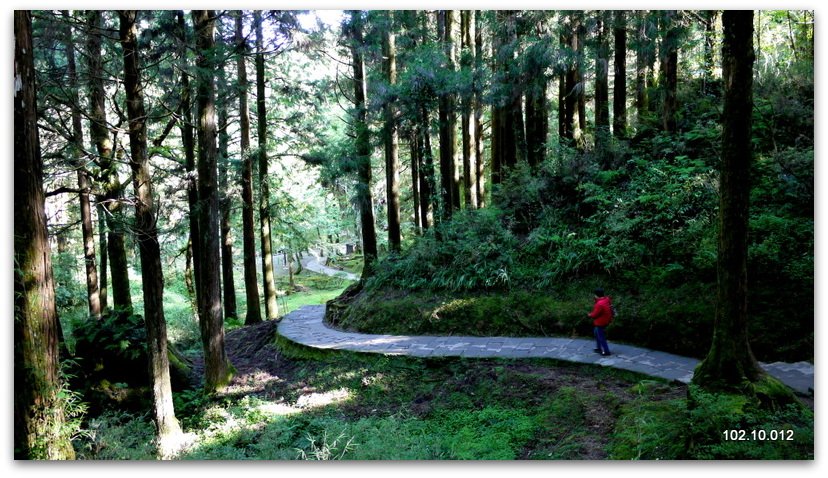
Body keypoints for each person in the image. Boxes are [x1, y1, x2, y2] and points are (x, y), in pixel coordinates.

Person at [588, 288, 613, 356]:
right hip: (606, 319)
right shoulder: (606, 299)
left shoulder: (599, 304)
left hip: (600, 322)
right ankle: (598, 348)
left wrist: (589, 314)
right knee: (596, 332)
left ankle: (606, 351)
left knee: (601, 337)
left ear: (596, 295)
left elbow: (594, 314)